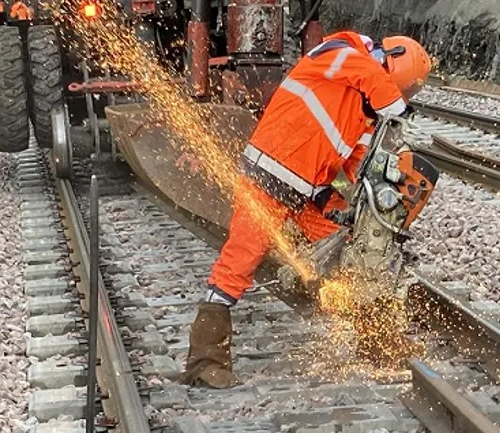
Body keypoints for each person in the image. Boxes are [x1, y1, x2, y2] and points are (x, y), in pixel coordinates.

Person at [180, 32, 433, 388]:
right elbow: (366, 73)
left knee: (360, 253)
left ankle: (378, 342)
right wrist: (395, 105)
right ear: (387, 64)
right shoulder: (337, 54)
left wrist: (369, 200)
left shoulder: (360, 109)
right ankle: (205, 361)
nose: (396, 98)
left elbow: (356, 162)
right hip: (267, 180)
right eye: (399, 90)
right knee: (237, 265)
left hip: (311, 193)